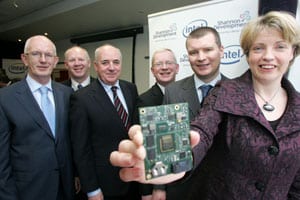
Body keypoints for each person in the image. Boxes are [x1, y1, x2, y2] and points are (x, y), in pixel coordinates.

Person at [110, 11, 300, 200]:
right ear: (248, 53)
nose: (268, 56)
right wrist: (167, 165)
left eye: (280, 47)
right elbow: (201, 131)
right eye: (258, 48)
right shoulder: (223, 91)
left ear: (293, 51)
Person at [0, 35, 74, 200]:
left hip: (65, 188)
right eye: (36, 54)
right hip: (27, 191)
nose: (43, 60)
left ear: (55, 61)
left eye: (48, 55)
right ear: (24, 59)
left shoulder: (67, 94)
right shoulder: (5, 98)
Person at [162, 26, 228, 199]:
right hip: (181, 186)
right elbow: (165, 142)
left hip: (221, 189)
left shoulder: (237, 93)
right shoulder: (173, 91)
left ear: (221, 51)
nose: (201, 58)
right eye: (193, 52)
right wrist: (159, 187)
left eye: (207, 50)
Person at [69, 44, 139, 200]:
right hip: (105, 184)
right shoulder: (81, 98)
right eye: (105, 62)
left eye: (116, 62)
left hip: (134, 179)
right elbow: (81, 149)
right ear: (95, 66)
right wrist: (92, 189)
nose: (111, 67)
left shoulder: (131, 89)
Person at [137, 48, 179, 200]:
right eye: (159, 64)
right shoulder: (144, 100)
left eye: (169, 63)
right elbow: (142, 149)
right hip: (156, 181)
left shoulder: (186, 95)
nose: (164, 67)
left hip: (185, 181)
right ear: (152, 70)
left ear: (177, 68)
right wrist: (147, 190)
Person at [63, 45, 96, 200]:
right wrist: (75, 172)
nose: (77, 63)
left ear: (89, 63)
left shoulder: (103, 87)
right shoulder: (58, 92)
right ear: (65, 64)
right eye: (72, 60)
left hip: (99, 167)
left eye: (81, 59)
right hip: (70, 168)